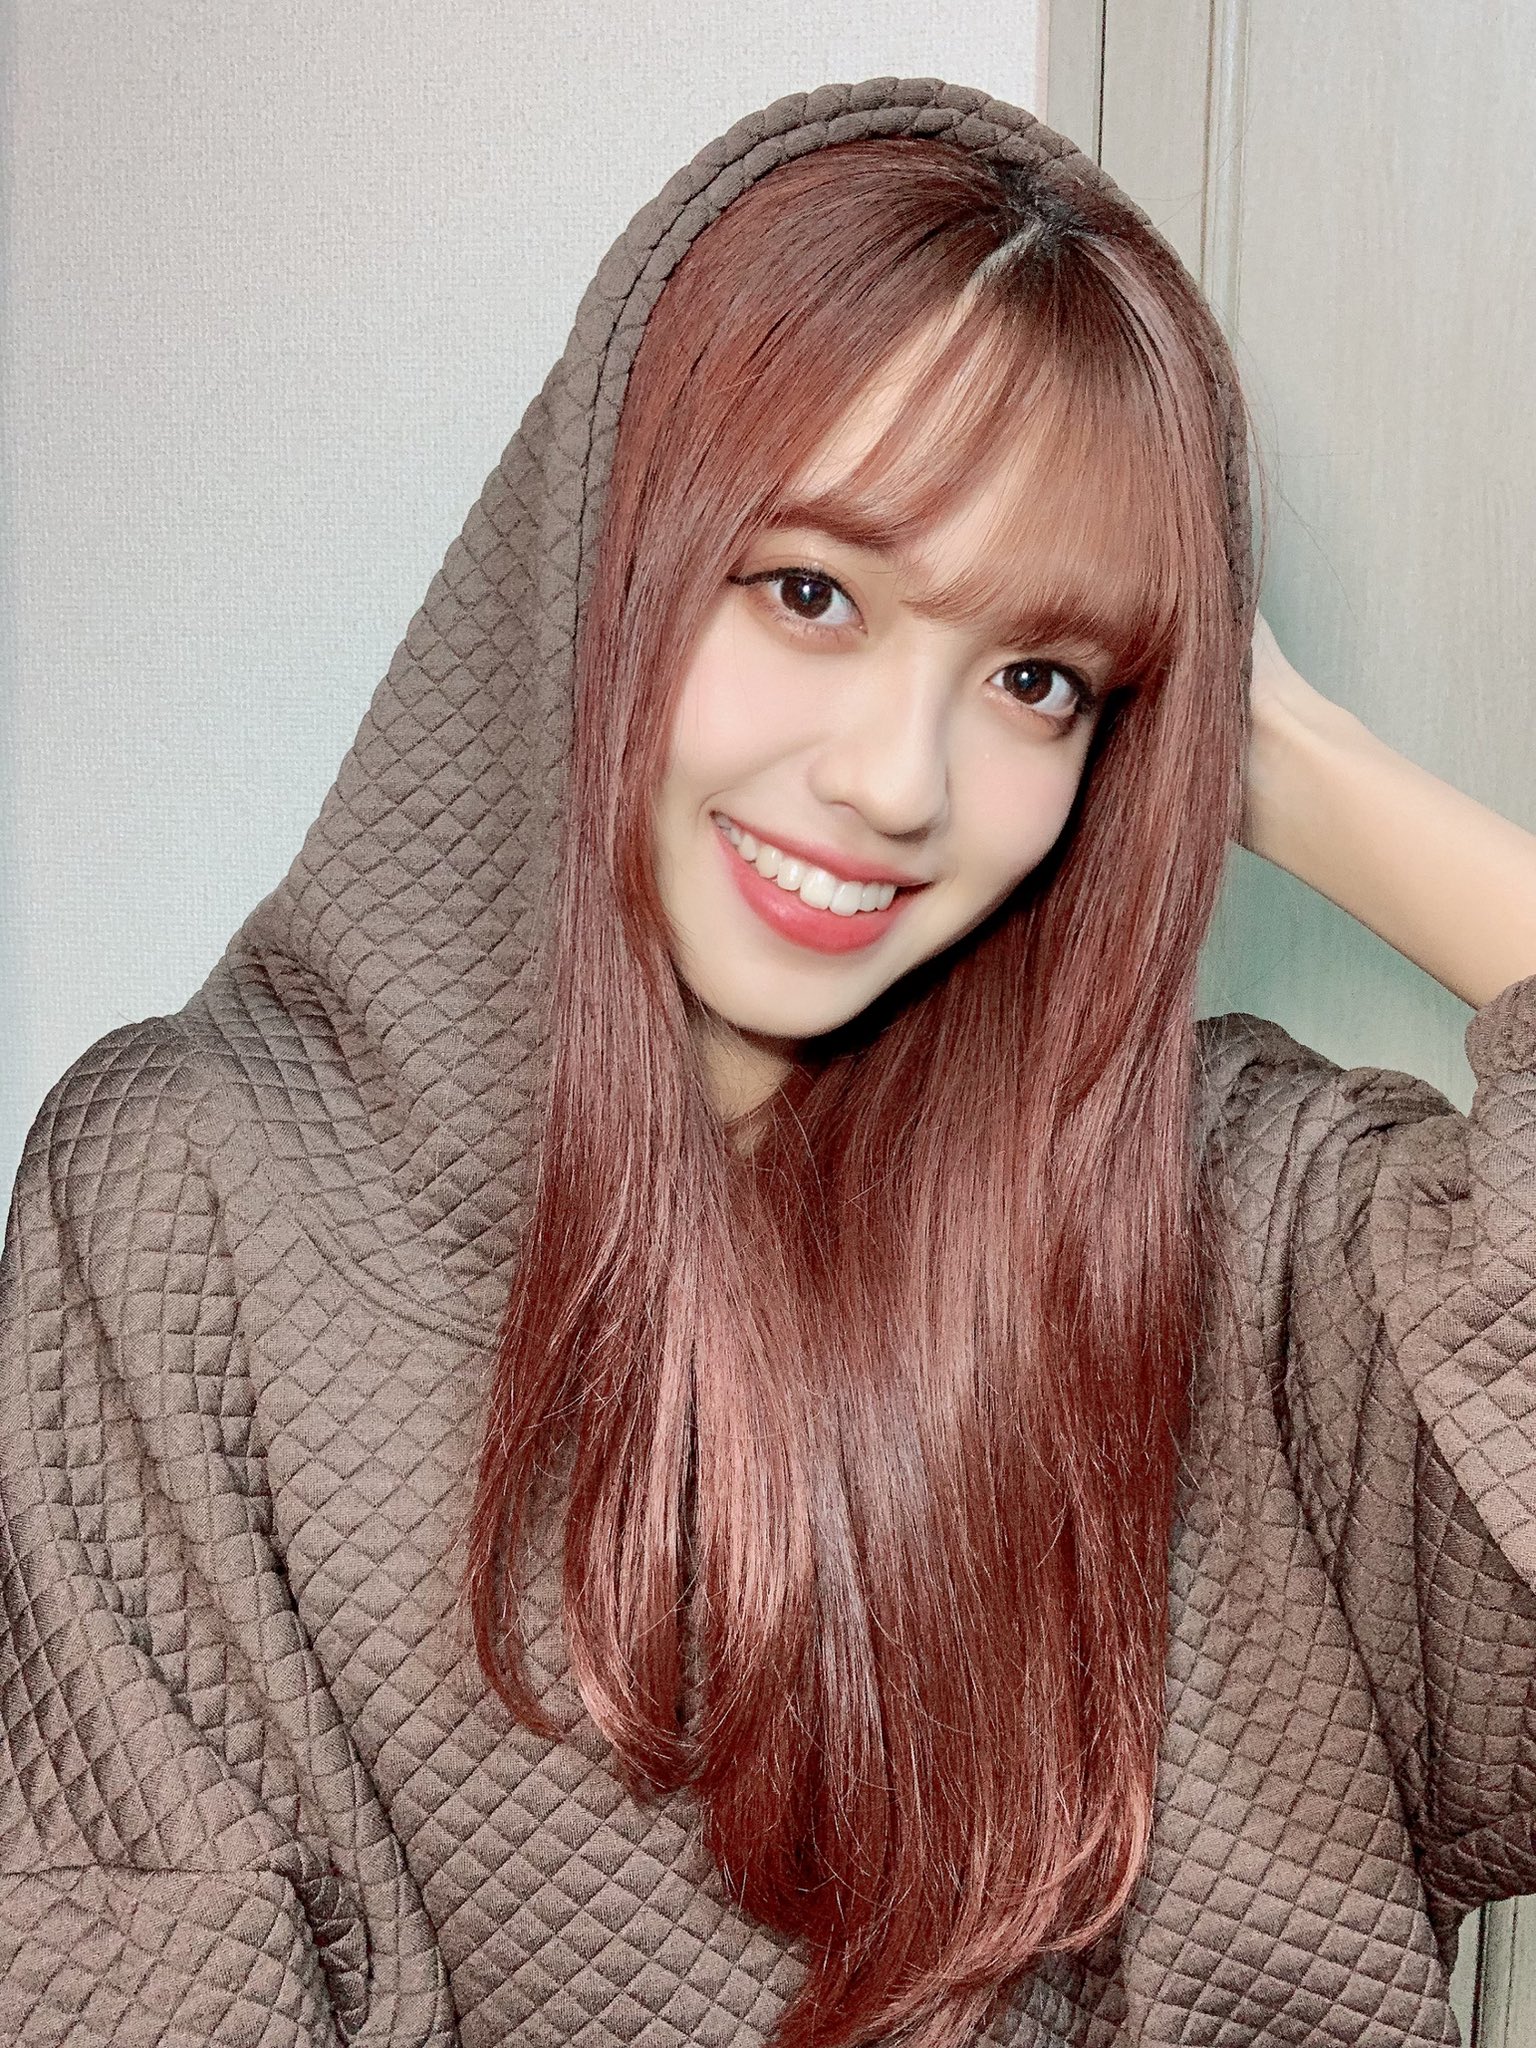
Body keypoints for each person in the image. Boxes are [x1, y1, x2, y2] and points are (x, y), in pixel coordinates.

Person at [2, 77, 1534, 2048]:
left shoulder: (1221, 1204)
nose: (896, 781)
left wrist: (1297, 761)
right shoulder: (197, 1200)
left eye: (1037, 677)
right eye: (811, 593)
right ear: (602, 553)